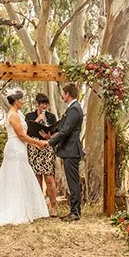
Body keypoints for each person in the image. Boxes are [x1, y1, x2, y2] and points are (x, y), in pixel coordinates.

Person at [0, 88, 50, 225]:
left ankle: (26, 207)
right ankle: (13, 208)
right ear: (16, 101)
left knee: (20, 176)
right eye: (21, 99)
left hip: (20, 148)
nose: (23, 101)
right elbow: (21, 135)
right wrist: (38, 143)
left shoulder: (18, 113)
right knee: (13, 177)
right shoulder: (13, 115)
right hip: (15, 148)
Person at [46, 83, 85, 221]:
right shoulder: (72, 108)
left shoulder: (74, 109)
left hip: (71, 150)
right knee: (71, 181)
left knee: (73, 182)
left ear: (68, 94)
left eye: (63, 93)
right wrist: (49, 134)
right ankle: (74, 211)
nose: (62, 96)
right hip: (68, 150)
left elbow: (66, 130)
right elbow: (62, 127)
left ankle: (75, 212)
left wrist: (50, 142)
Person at [25, 94, 59, 213]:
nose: (44, 105)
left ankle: (53, 206)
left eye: (46, 103)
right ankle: (39, 207)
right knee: (37, 178)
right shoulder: (29, 116)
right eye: (42, 103)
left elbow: (56, 133)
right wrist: (37, 120)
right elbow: (25, 133)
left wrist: (49, 137)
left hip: (47, 147)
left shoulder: (51, 116)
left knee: (49, 178)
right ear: (37, 104)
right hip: (34, 148)